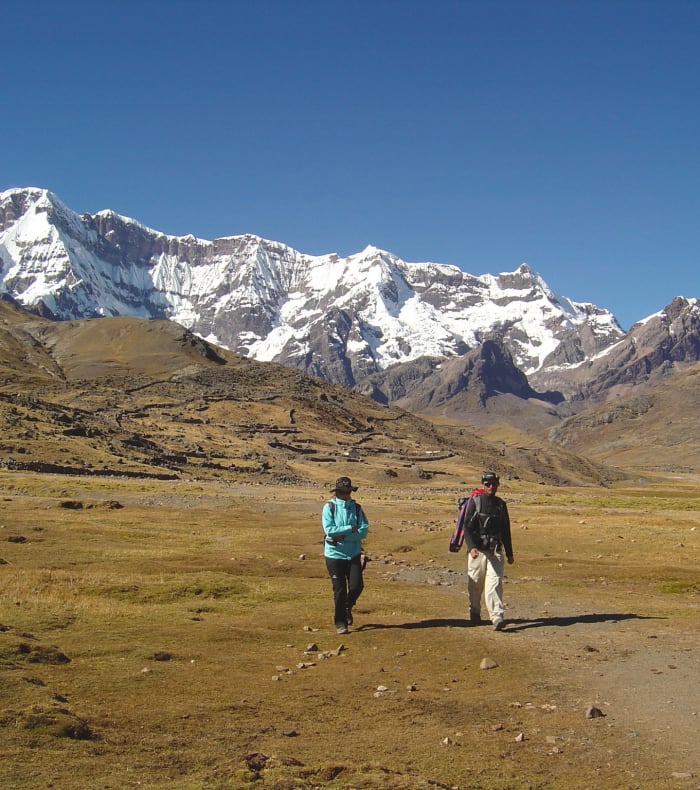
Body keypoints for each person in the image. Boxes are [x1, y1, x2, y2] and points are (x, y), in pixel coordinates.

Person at [462, 471, 514, 631]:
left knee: (494, 583)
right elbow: (467, 527)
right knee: (475, 584)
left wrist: (510, 553)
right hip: (478, 551)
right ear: (483, 485)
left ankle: (497, 617)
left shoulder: (501, 505)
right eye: (487, 484)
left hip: (495, 551)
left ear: (498, 485)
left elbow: (506, 530)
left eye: (494, 484)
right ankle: (475, 612)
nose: (491, 487)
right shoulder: (475, 502)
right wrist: (471, 547)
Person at [321, 476, 369, 634]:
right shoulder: (329, 507)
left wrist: (344, 536)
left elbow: (363, 531)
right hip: (334, 555)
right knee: (339, 589)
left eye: (348, 492)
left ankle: (348, 606)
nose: (346, 495)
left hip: (353, 553)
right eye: (343, 492)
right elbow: (330, 530)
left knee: (357, 586)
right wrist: (350, 528)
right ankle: (340, 622)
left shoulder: (357, 508)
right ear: (337, 492)